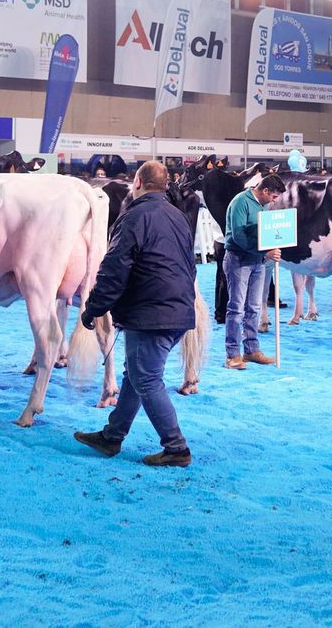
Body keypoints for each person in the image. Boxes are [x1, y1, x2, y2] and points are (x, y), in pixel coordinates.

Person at [72, 161, 200, 468]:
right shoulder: (179, 217)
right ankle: (112, 436)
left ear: (138, 182)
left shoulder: (133, 218)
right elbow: (191, 265)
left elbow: (114, 268)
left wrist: (94, 307)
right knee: (137, 373)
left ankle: (176, 447)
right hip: (178, 308)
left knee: (147, 378)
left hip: (150, 312)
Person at [219, 173, 285, 368]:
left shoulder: (260, 205)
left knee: (254, 308)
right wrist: (264, 251)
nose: (274, 201)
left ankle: (251, 350)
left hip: (257, 261)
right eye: (273, 197)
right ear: (265, 191)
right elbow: (239, 236)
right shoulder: (241, 202)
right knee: (236, 308)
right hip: (238, 260)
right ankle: (232, 354)